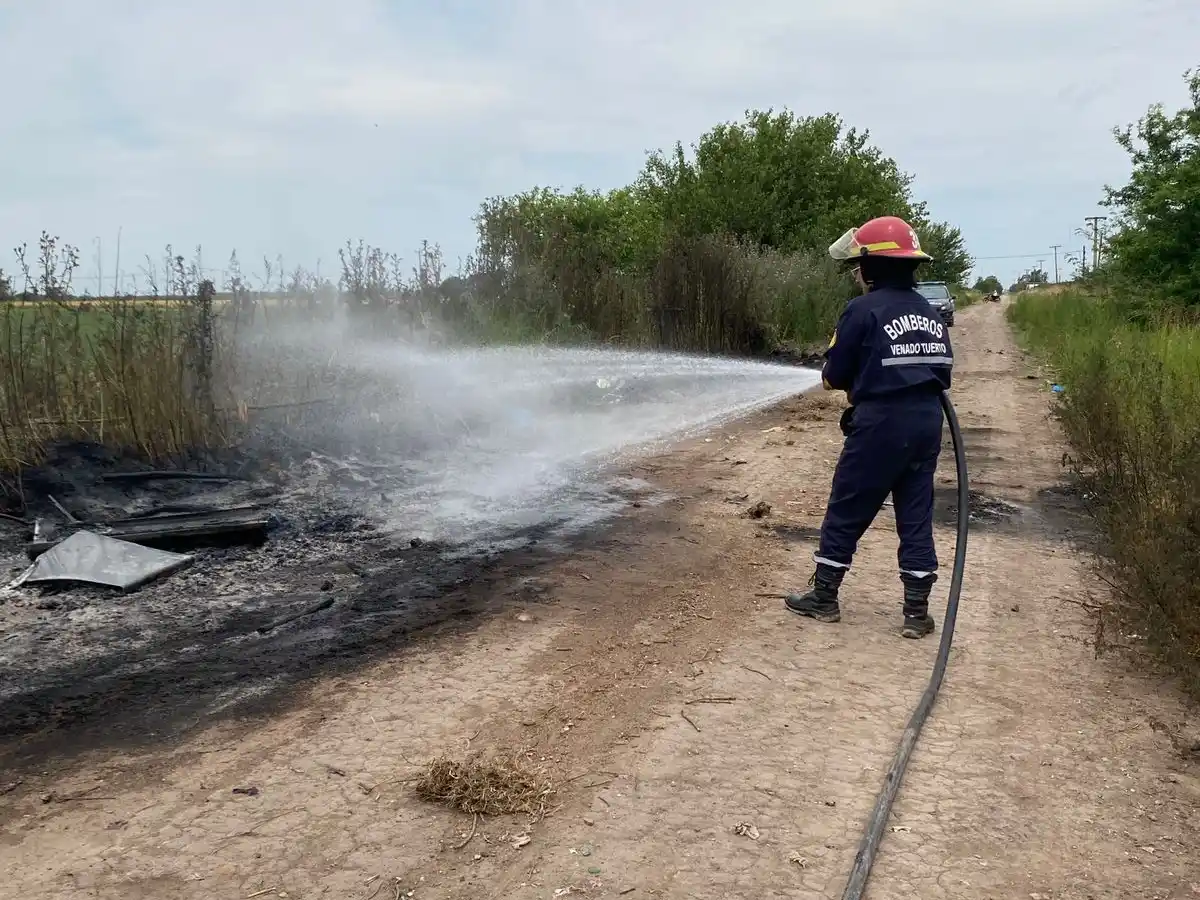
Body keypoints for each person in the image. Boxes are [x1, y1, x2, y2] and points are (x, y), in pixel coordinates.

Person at [785, 215, 953, 639]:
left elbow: (836, 374)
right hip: (926, 422)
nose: (857, 274)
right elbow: (942, 373)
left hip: (880, 424)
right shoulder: (928, 311)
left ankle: (824, 597)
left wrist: (849, 381)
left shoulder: (863, 309)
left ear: (873, 266)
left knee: (848, 504)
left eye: (860, 265)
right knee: (915, 513)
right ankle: (916, 613)